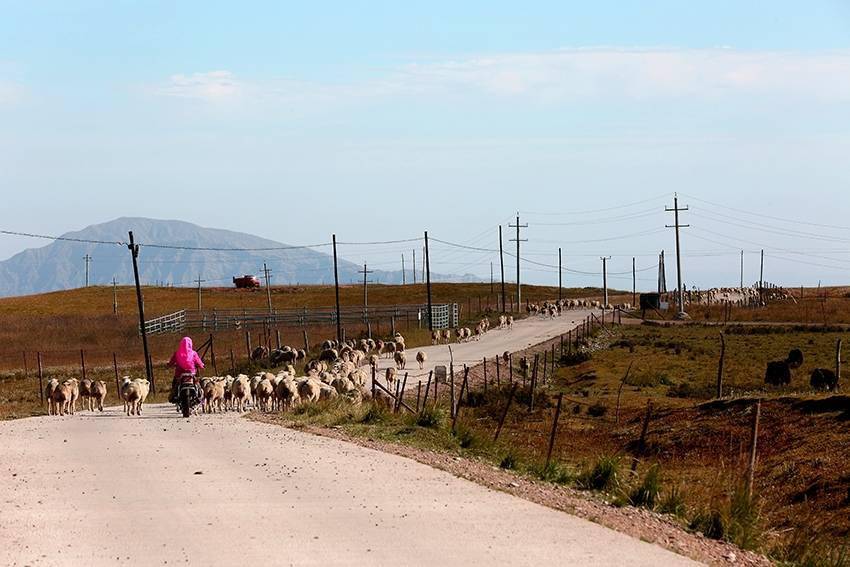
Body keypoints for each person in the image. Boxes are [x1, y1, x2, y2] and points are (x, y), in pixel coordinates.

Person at [167, 337, 205, 405]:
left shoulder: (177, 353)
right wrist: (202, 365)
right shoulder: (194, 353)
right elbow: (199, 362)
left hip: (179, 374)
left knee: (175, 384)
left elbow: (171, 362)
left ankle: (173, 396)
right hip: (191, 373)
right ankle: (200, 396)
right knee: (197, 384)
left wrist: (169, 365)